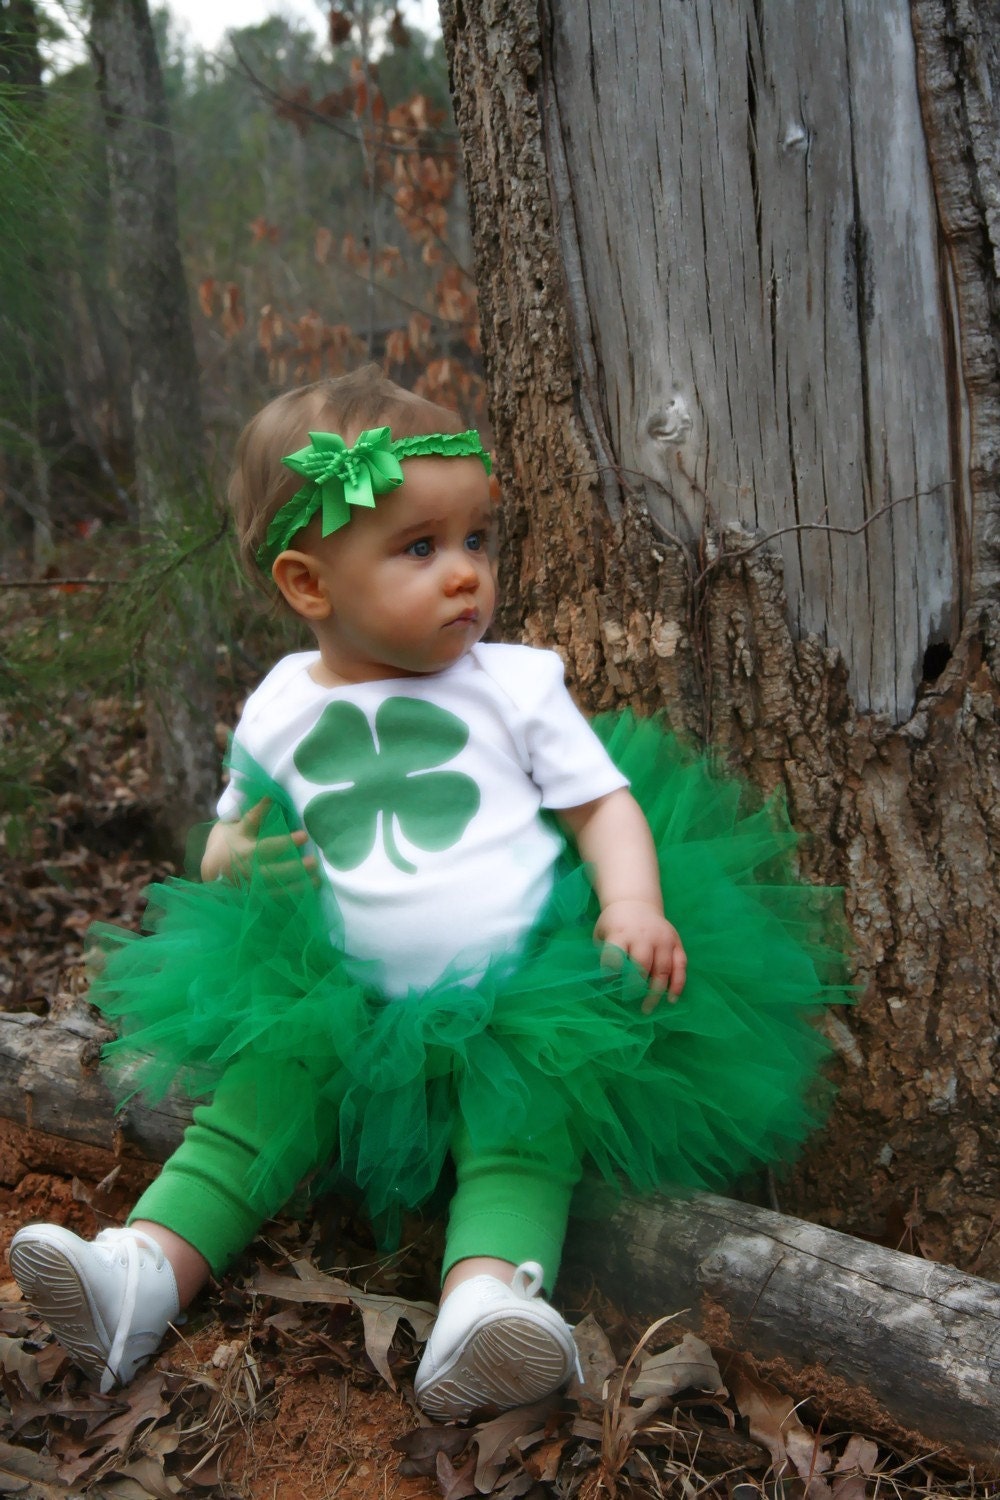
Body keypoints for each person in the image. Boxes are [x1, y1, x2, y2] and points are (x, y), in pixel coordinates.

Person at [9, 366, 846, 1422]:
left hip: (519, 995)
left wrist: (630, 902)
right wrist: (232, 860)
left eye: (475, 543)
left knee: (524, 1121)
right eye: (419, 548)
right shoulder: (277, 705)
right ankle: (141, 1270)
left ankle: (486, 1307)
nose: (465, 576)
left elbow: (602, 805)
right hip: (339, 995)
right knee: (256, 1109)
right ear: (310, 586)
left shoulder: (514, 683)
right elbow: (235, 826)